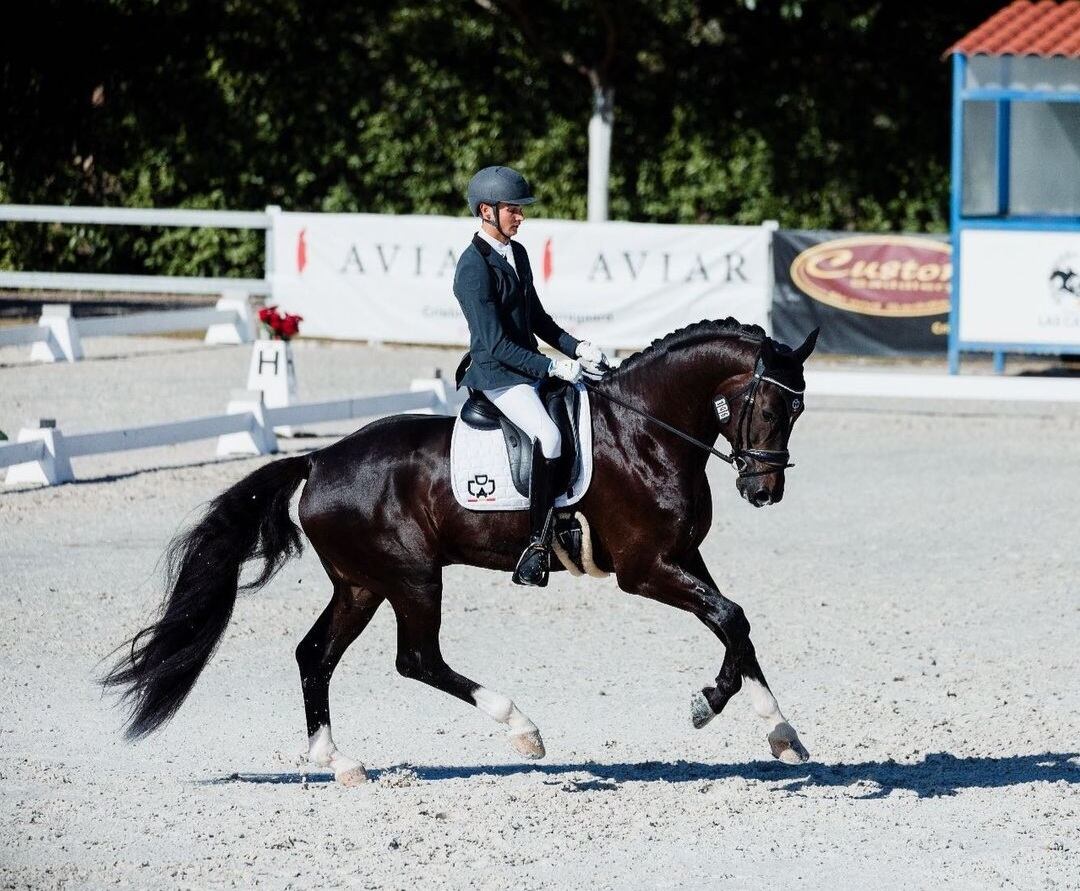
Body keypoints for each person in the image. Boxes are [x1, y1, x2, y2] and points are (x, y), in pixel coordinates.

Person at [453, 165, 609, 587]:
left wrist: (578, 348)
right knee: (550, 436)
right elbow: (497, 343)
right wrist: (551, 366)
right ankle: (536, 546)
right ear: (486, 211)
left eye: (521, 209)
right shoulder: (473, 268)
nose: (520, 216)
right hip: (498, 375)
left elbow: (537, 318)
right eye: (512, 210)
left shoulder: (516, 254)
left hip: (526, 366)